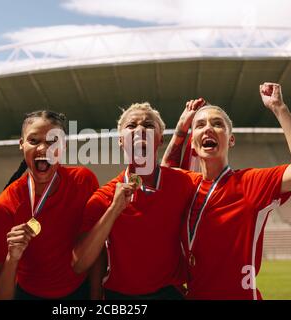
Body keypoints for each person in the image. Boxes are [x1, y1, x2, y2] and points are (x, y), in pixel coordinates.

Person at [162, 83, 291, 299]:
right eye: (200, 125)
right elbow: (164, 177)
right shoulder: (186, 185)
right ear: (194, 146)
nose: (208, 128)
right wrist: (180, 128)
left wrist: (279, 108)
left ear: (231, 139)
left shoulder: (251, 182)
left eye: (217, 124)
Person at [72, 102, 197, 299]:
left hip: (169, 293)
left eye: (148, 125)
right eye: (131, 126)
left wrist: (183, 131)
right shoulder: (103, 198)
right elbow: (79, 264)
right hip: (120, 298)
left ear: (160, 140)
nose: (140, 130)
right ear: (121, 140)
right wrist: (114, 209)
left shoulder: (185, 184)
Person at [0, 111, 100, 300]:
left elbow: (97, 249)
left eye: (52, 141)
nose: (43, 148)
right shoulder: (5, 206)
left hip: (79, 292)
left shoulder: (84, 181)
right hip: (28, 295)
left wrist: (96, 298)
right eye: (33, 141)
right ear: (21, 144)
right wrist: (12, 259)